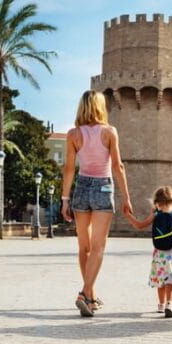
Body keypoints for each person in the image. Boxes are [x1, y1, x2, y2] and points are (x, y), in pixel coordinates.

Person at [61, 90, 133, 317]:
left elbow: (69, 169)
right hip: (103, 187)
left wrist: (65, 200)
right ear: (101, 107)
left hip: (81, 188)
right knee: (98, 247)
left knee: (84, 247)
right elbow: (117, 166)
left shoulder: (73, 134)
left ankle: (90, 296)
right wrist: (127, 197)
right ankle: (84, 293)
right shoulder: (110, 132)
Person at [124, 186, 172, 318]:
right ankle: (170, 303)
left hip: (159, 254)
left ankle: (161, 305)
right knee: (170, 281)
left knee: (160, 279)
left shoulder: (156, 215)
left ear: (157, 202)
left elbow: (139, 225)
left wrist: (128, 215)